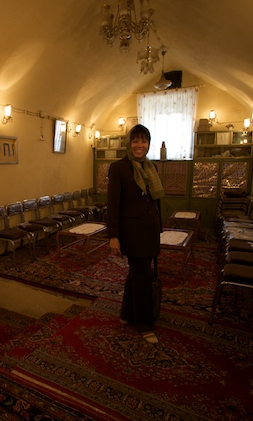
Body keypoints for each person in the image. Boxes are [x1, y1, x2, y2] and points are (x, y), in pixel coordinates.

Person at [106, 124, 164, 344]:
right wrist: (113, 235)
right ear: (129, 143)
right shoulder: (118, 167)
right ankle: (144, 324)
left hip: (149, 231)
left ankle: (127, 314)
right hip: (131, 233)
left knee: (136, 273)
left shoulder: (151, 167)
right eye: (136, 141)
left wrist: (159, 227)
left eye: (144, 141)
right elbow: (113, 204)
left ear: (148, 144)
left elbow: (154, 201)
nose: (140, 145)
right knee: (142, 276)